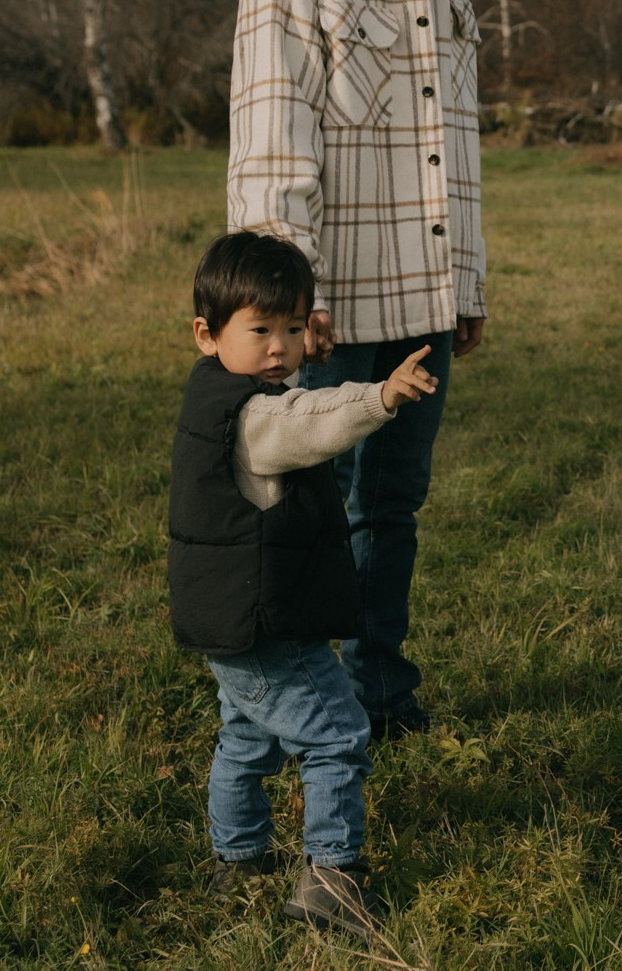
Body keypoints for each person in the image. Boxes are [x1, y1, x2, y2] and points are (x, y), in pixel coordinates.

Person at [227, 0, 488, 740]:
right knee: (310, 512)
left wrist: (467, 282)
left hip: (422, 298)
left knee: (394, 511)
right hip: (331, 307)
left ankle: (383, 690)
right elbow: (270, 141)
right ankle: (300, 703)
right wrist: (288, 309)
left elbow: (453, 138)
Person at [169, 230, 439, 939]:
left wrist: (305, 359)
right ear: (207, 334)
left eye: (293, 327)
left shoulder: (215, 396)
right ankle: (330, 879)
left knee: (247, 739)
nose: (280, 347)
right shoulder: (260, 416)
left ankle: (239, 857)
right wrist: (381, 395)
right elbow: (314, 423)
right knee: (338, 733)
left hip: (230, 620)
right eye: (260, 330)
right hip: (269, 622)